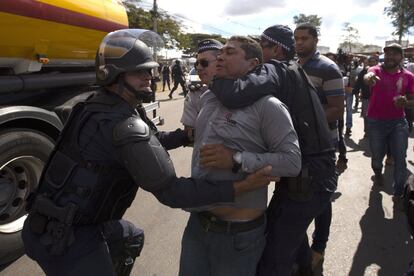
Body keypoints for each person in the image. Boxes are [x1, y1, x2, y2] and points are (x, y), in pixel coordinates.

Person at [21, 29, 277, 276]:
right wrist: (239, 187)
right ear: (114, 75)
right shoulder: (123, 125)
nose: (150, 78)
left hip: (59, 221)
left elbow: (153, 140)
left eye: (150, 71)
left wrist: (186, 135)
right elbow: (172, 191)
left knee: (131, 237)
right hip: (66, 238)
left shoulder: (103, 104)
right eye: (139, 73)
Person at [209, 25, 337, 276]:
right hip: (309, 177)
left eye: (263, 46)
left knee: (272, 260)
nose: (259, 51)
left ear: (276, 49)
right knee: (294, 244)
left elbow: (235, 94)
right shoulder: (294, 71)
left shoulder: (277, 68)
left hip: (307, 179)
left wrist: (214, 74)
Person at [178, 36, 301, 276]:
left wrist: (236, 158)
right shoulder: (208, 97)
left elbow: (292, 161)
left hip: (238, 235)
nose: (220, 56)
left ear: (253, 63)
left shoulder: (269, 106)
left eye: (230, 52)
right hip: (197, 225)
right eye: (220, 51)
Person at [294, 23, 344, 274]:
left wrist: (302, 122)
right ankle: (298, 248)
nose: (299, 43)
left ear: (315, 40)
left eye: (304, 38)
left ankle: (318, 248)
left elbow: (336, 108)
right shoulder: (294, 66)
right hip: (296, 146)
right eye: (296, 39)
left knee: (321, 199)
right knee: (296, 196)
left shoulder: (327, 68)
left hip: (321, 147)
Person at [364, 43, 414, 208]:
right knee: (377, 157)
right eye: (387, 53)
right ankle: (378, 172)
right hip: (376, 122)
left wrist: (406, 101)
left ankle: (398, 193)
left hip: (398, 122)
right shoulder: (376, 71)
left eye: (394, 54)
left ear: (401, 57)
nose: (390, 56)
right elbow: (368, 75)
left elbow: (412, 99)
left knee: (400, 159)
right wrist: (369, 79)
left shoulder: (408, 76)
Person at [180, 39, 222, 136]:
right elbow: (190, 135)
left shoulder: (243, 90)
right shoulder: (195, 94)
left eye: (204, 63)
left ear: (220, 61)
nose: (198, 68)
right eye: (196, 64)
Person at [353, 55, 378, 136]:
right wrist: (355, 92)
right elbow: (358, 83)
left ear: (377, 62)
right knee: (366, 115)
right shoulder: (363, 72)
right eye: (371, 61)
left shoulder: (381, 72)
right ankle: (367, 131)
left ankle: (376, 130)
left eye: (374, 61)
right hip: (366, 97)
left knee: (376, 115)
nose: (372, 63)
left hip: (377, 98)